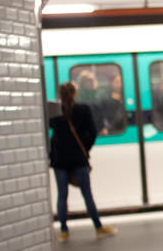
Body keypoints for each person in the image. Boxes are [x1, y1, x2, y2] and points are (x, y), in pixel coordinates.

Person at [49, 81, 117, 241]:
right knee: (87, 194)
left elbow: (51, 134)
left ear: (59, 95)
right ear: (74, 93)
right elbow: (92, 132)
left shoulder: (54, 112)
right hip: (79, 159)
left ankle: (64, 231)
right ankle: (98, 227)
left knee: (62, 196)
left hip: (59, 160)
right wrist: (84, 149)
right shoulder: (83, 109)